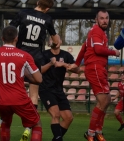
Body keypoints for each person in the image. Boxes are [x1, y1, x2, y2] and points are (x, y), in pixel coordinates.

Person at [9, 0, 60, 140]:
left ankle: (5, 119)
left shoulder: (23, 13)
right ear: (47, 8)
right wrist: (54, 44)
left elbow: (11, 30)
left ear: (37, 2)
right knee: (33, 93)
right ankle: (29, 126)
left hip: (19, 55)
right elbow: (55, 41)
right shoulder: (47, 19)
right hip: (35, 57)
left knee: (13, 87)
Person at [74, 9, 120, 141]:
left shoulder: (99, 33)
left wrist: (77, 64)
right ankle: (90, 133)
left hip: (99, 68)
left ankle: (98, 131)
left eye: (106, 18)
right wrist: (114, 52)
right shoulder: (96, 31)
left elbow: (84, 48)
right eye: (102, 18)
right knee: (104, 101)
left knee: (107, 100)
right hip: (94, 68)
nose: (105, 20)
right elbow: (98, 50)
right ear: (96, 19)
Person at [39, 37, 79, 141]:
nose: (54, 41)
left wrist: (64, 64)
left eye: (57, 39)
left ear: (61, 41)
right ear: (49, 43)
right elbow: (40, 70)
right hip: (46, 89)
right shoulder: (44, 54)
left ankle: (56, 139)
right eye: (52, 39)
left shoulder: (66, 55)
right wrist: (51, 63)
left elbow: (78, 70)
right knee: (56, 114)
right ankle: (58, 138)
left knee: (68, 118)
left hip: (59, 90)